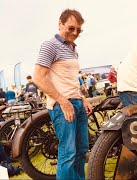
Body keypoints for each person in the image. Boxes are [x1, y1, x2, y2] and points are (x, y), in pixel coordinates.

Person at [32, 9, 92, 179]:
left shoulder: (73, 48)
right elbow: (38, 77)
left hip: (77, 104)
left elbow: (70, 80)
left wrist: (83, 98)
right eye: (71, 28)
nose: (75, 33)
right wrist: (62, 101)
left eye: (78, 30)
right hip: (62, 106)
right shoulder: (50, 45)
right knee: (69, 152)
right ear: (60, 24)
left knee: (81, 151)